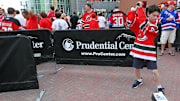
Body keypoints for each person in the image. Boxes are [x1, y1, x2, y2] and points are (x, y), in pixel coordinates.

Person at [127, 2, 165, 94]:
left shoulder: (155, 26)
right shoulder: (141, 21)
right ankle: (139, 80)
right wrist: (134, 10)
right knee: (136, 67)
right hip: (138, 50)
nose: (155, 17)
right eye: (154, 15)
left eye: (157, 16)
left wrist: (140, 9)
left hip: (149, 52)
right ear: (148, 14)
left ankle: (159, 87)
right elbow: (130, 22)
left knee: (155, 71)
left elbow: (144, 25)